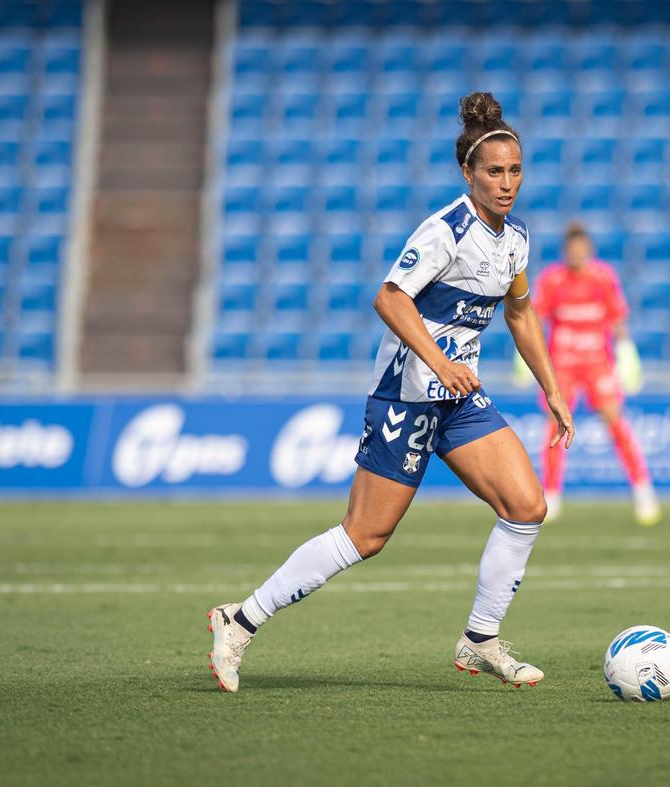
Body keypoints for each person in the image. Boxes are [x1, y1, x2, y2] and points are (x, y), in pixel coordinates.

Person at [206, 92, 574, 693]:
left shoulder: (516, 238)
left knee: (527, 506)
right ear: (468, 173)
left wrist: (552, 388)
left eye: (515, 172)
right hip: (405, 395)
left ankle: (481, 638)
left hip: (458, 398)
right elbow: (389, 297)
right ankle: (239, 620)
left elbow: (522, 313)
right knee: (366, 536)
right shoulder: (446, 230)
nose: (507, 183)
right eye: (494, 172)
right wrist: (439, 360)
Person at [532, 223, 660, 525]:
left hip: (596, 362)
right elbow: (536, 318)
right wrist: (525, 358)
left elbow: (617, 319)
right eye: (572, 250)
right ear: (566, 252)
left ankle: (642, 489)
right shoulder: (552, 280)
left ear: (588, 251)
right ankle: (551, 493)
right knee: (555, 426)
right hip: (561, 363)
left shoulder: (603, 278)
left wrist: (627, 353)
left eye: (582, 250)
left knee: (615, 421)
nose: (577, 255)